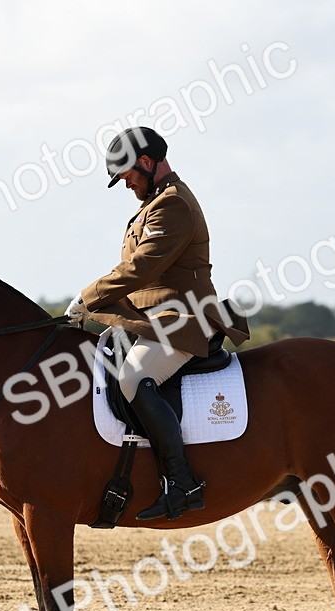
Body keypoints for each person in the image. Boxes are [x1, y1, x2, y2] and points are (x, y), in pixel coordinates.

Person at [65, 127, 249, 521]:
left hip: (185, 319)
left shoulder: (174, 204)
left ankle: (183, 482)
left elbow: (141, 266)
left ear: (147, 163)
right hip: (150, 320)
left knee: (132, 377)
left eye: (128, 173)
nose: (126, 183)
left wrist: (89, 296)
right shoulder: (150, 205)